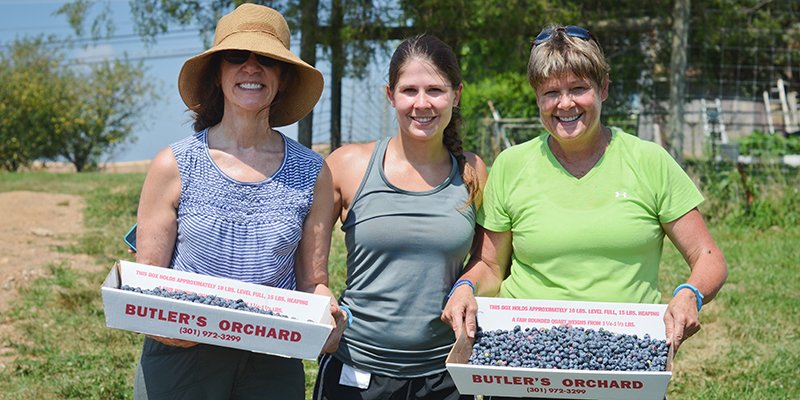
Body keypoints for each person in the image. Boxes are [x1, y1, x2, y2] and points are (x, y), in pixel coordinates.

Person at [442, 24, 728, 372]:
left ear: (603, 88)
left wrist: (690, 294)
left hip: (625, 354)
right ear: (537, 97)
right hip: (527, 353)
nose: (565, 104)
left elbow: (708, 256)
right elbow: (490, 265)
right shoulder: (511, 165)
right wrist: (466, 286)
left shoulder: (648, 161)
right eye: (551, 92)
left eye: (578, 88)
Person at [132, 4, 345, 399]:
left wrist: (327, 312)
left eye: (266, 59)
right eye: (236, 57)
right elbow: (149, 279)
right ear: (218, 74)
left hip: (271, 361)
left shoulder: (312, 171)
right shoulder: (173, 164)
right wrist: (156, 322)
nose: (251, 67)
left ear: (282, 77)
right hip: (182, 359)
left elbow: (313, 282)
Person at [308, 34, 489, 400]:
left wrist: (467, 286)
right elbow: (309, 265)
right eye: (409, 91)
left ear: (457, 94)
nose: (422, 104)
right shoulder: (348, 165)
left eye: (435, 90)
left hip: (445, 375)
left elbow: (487, 260)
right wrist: (318, 294)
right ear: (390, 95)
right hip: (357, 372)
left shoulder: (472, 171)